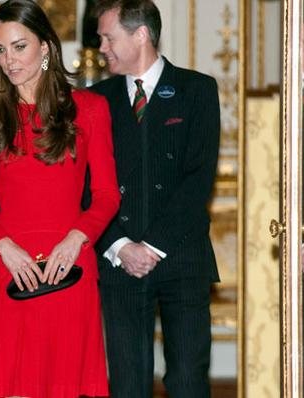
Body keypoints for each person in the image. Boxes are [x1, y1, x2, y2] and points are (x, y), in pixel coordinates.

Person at [0, 0, 120, 396]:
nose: (9, 60)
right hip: (8, 268)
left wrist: (77, 237)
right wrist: (2, 246)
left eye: (19, 47)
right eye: (0, 49)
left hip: (69, 268)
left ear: (45, 47)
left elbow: (106, 195)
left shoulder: (91, 109)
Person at [89, 1, 221, 396]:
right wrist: (120, 245)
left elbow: (199, 180)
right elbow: (86, 185)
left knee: (187, 380)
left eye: (108, 37)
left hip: (181, 256)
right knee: (128, 384)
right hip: (119, 261)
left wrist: (152, 246)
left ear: (141, 34)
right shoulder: (95, 100)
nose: (101, 47)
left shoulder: (197, 90)